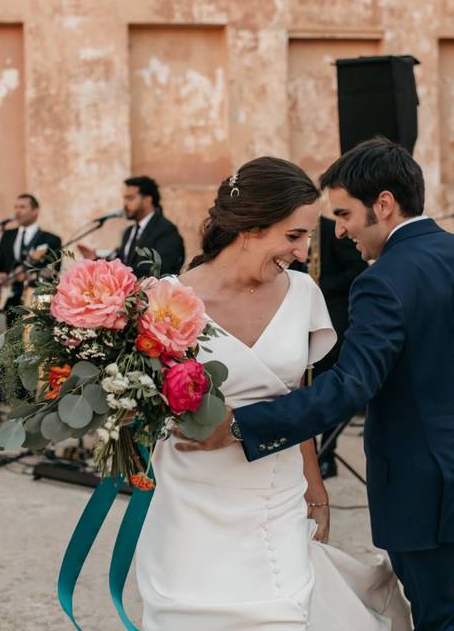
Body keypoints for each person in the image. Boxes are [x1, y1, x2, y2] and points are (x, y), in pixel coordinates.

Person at [177, 138, 454, 631]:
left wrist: (245, 425)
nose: (341, 229)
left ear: (385, 204)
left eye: (345, 213)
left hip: (424, 481)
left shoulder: (384, 279)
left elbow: (351, 387)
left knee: (439, 611)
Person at [135, 157, 411, 630]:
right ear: (250, 227)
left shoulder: (303, 293)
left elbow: (297, 399)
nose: (303, 251)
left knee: (280, 613)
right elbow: (140, 401)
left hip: (273, 497)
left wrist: (315, 489)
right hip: (190, 499)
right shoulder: (163, 299)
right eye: (293, 235)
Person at [309, 214, 368, 479]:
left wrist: (320, 285)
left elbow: (357, 269)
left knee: (326, 388)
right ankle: (309, 454)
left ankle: (327, 453)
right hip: (305, 318)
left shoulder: (330, 230)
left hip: (333, 317)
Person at [78, 176, 185, 276]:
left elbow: (160, 269)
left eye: (130, 198)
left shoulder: (165, 230)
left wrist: (120, 271)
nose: (125, 204)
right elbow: (121, 262)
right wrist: (96, 259)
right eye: (125, 198)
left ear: (147, 200)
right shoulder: (129, 232)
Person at [0, 193, 61, 326]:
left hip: (38, 299)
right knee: (12, 340)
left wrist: (29, 275)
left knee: (37, 339)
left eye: (22, 207)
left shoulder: (51, 240)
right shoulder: (7, 236)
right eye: (16, 207)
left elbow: (54, 272)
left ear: (35, 211)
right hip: (11, 299)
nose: (17, 211)